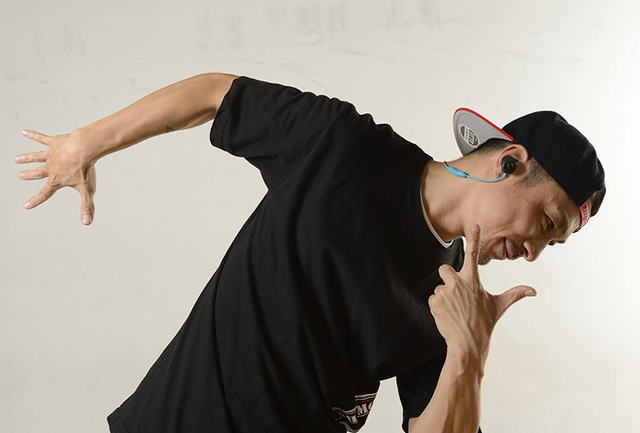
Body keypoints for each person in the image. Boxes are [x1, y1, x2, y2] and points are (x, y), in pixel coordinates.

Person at [15, 73, 605, 433]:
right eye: (546, 223)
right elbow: (217, 95)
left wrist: (468, 355)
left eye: (550, 246)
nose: (533, 253)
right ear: (509, 162)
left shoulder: (453, 299)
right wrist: (86, 142)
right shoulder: (345, 147)